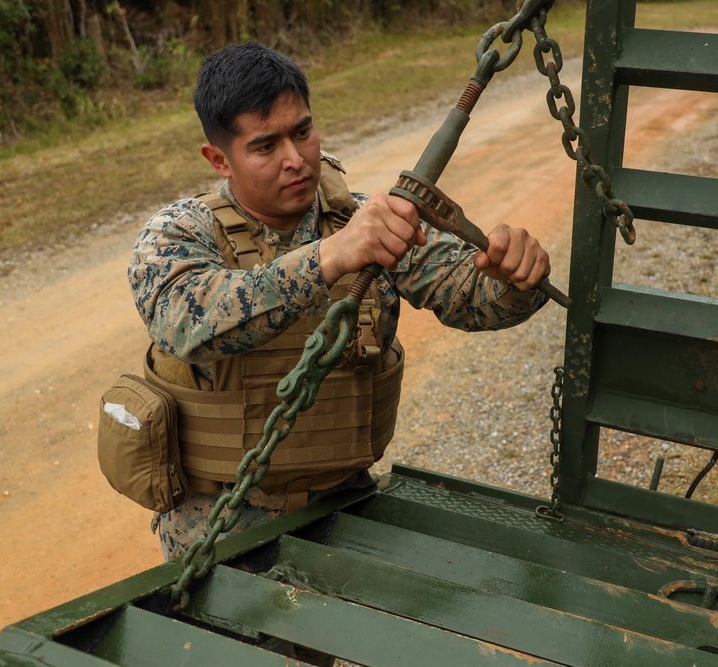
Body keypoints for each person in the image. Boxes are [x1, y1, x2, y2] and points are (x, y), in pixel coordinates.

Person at [128, 42, 553, 564]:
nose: (295, 159)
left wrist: (515, 279)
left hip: (345, 512)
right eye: (265, 146)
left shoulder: (363, 220)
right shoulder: (178, 232)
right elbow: (186, 323)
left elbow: (468, 296)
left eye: (302, 132)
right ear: (219, 159)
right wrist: (330, 256)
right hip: (218, 527)